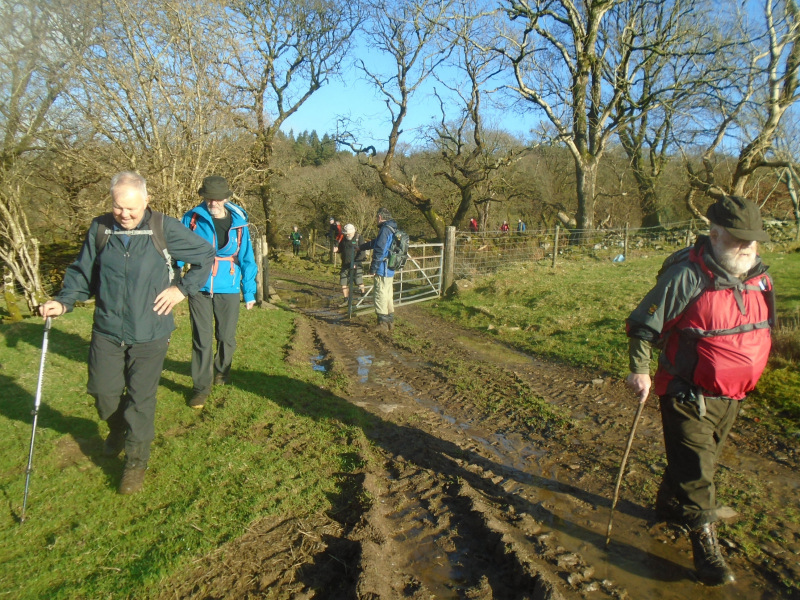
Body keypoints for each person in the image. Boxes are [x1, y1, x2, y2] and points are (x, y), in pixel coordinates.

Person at [625, 195, 773, 587]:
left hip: (733, 396)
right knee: (699, 470)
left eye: (753, 239)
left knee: (695, 461)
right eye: (740, 238)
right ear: (715, 233)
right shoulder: (686, 277)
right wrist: (639, 370)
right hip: (685, 391)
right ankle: (706, 548)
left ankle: (669, 505)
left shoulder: (760, 278)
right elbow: (643, 324)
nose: (748, 247)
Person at [39, 171, 214, 495]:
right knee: (102, 394)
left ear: (146, 201)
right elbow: (82, 271)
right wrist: (64, 302)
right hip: (107, 328)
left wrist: (181, 289)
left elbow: (205, 255)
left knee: (140, 400)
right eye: (119, 208)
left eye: (132, 209)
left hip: (150, 331)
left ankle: (135, 463)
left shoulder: (163, 228)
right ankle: (116, 428)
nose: (125, 215)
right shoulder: (101, 228)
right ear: (112, 203)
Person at [181, 175, 258, 409]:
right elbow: (176, 249)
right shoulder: (192, 218)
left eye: (217, 199)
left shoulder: (239, 222)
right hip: (198, 285)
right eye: (208, 198)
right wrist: (171, 278)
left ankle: (222, 371)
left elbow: (246, 258)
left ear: (226, 198)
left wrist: (250, 291)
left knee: (225, 337)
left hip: (229, 286)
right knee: (201, 340)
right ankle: (200, 388)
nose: (212, 203)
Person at [360, 207, 397, 331]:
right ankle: (390, 321)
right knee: (388, 294)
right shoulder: (393, 228)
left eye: (376, 217)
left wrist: (373, 268)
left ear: (380, 217)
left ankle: (382, 323)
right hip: (391, 268)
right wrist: (362, 247)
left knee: (380, 294)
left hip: (383, 267)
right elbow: (376, 242)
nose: (376, 220)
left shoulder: (385, 230)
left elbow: (380, 249)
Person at [336, 223, 367, 306]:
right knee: (343, 282)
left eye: (348, 233)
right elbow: (341, 249)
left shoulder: (359, 238)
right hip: (345, 264)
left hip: (356, 264)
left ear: (353, 232)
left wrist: (356, 263)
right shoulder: (344, 239)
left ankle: (363, 297)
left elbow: (362, 253)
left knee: (358, 281)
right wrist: (337, 250)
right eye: (346, 233)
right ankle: (346, 300)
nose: (347, 235)